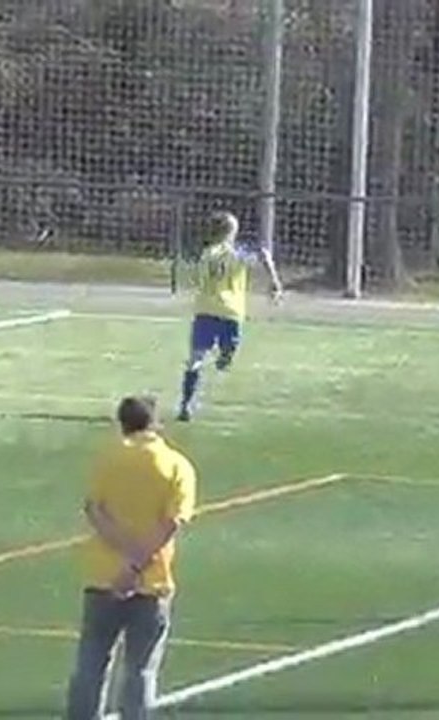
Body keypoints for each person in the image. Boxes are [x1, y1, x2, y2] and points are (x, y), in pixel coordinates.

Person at [67, 396, 197, 720]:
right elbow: (170, 523)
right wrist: (137, 564)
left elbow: (95, 510)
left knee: (91, 664)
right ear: (155, 423)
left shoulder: (108, 459)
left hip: (103, 579)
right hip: (151, 583)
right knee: (140, 671)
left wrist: (123, 556)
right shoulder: (176, 464)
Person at [177, 211, 282, 421]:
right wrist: (274, 282)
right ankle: (224, 358)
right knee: (228, 353)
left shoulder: (206, 254)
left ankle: (186, 404)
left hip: (205, 310)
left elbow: (194, 276)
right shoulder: (237, 253)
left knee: (195, 359)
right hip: (230, 312)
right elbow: (263, 254)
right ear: (232, 232)